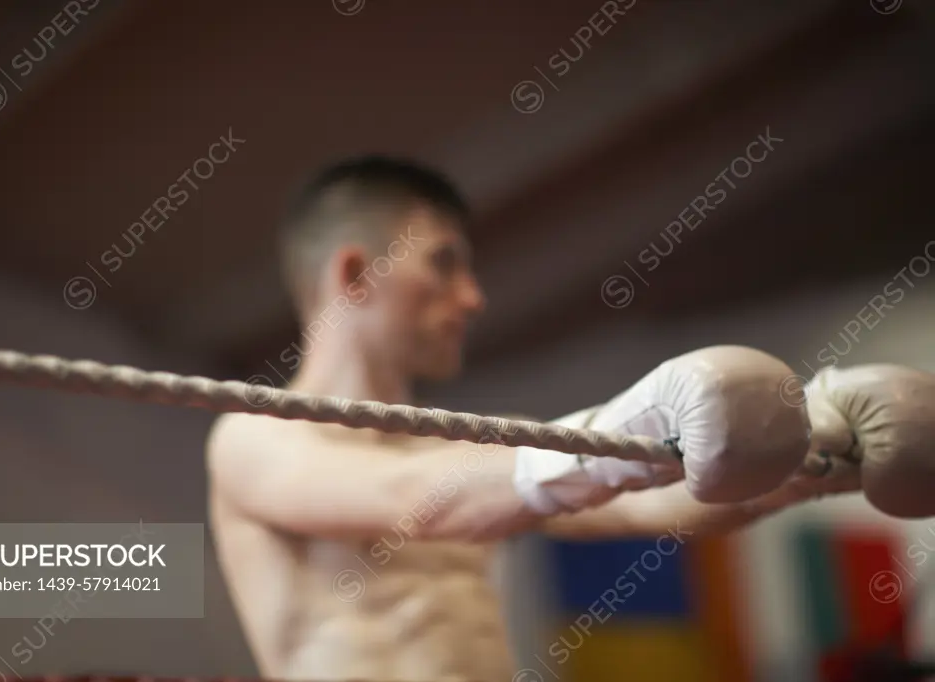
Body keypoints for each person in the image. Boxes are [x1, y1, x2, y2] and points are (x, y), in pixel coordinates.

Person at [206, 155, 934, 682]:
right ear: (355, 274)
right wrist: (609, 446)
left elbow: (651, 510)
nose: (471, 297)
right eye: (444, 264)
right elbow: (409, 499)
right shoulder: (254, 437)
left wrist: (821, 454)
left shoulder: (479, 450)